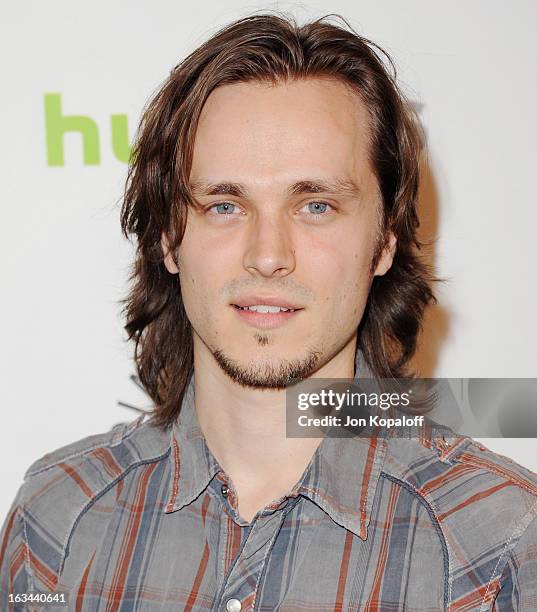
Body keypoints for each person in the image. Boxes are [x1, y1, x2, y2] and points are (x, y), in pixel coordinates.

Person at [1, 13, 536, 611]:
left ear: (384, 241)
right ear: (168, 240)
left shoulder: (505, 541)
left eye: (316, 205)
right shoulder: (56, 520)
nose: (268, 256)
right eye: (225, 205)